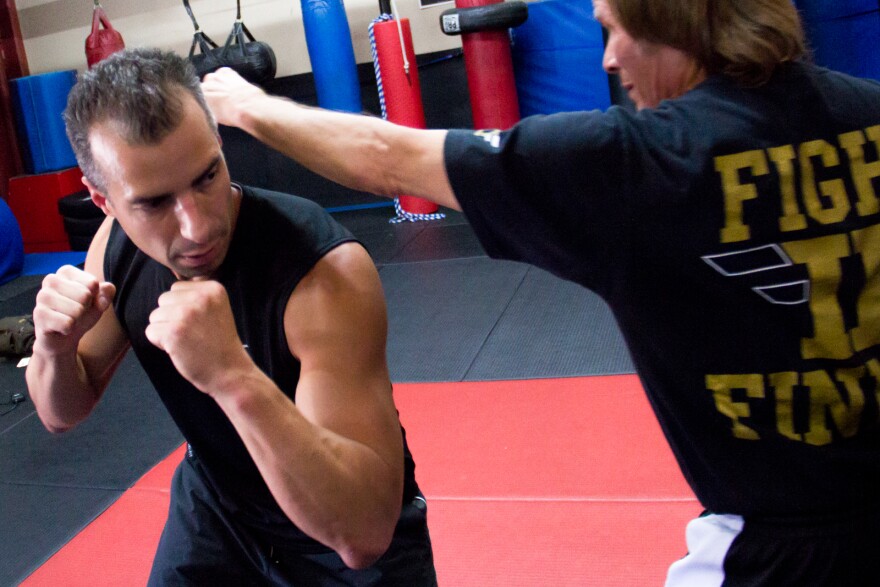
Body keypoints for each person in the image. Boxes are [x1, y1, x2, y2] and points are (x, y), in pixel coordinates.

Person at [202, 0, 880, 584]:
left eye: (615, 29)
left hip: (774, 547)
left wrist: (249, 108)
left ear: (670, 26)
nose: (611, 58)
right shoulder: (870, 112)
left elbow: (388, 158)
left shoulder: (636, 165)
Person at [26, 47, 436, 586]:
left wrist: (233, 377)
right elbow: (61, 413)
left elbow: (362, 535)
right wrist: (53, 347)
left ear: (220, 145)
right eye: (153, 203)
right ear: (103, 202)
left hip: (340, 522)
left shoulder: (321, 274)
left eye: (206, 177)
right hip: (219, 513)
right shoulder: (115, 248)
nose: (195, 227)